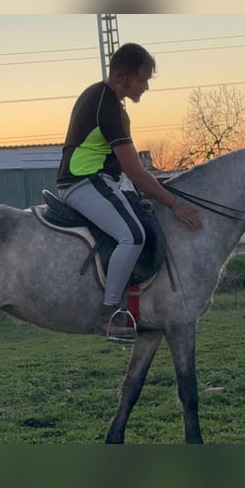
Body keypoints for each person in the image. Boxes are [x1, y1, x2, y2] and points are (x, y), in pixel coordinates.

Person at [57, 43, 202, 343]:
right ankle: (109, 314)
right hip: (84, 182)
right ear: (121, 77)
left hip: (99, 182)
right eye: (143, 80)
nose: (146, 87)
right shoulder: (107, 105)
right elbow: (135, 171)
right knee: (133, 235)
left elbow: (130, 172)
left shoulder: (104, 98)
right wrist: (174, 203)